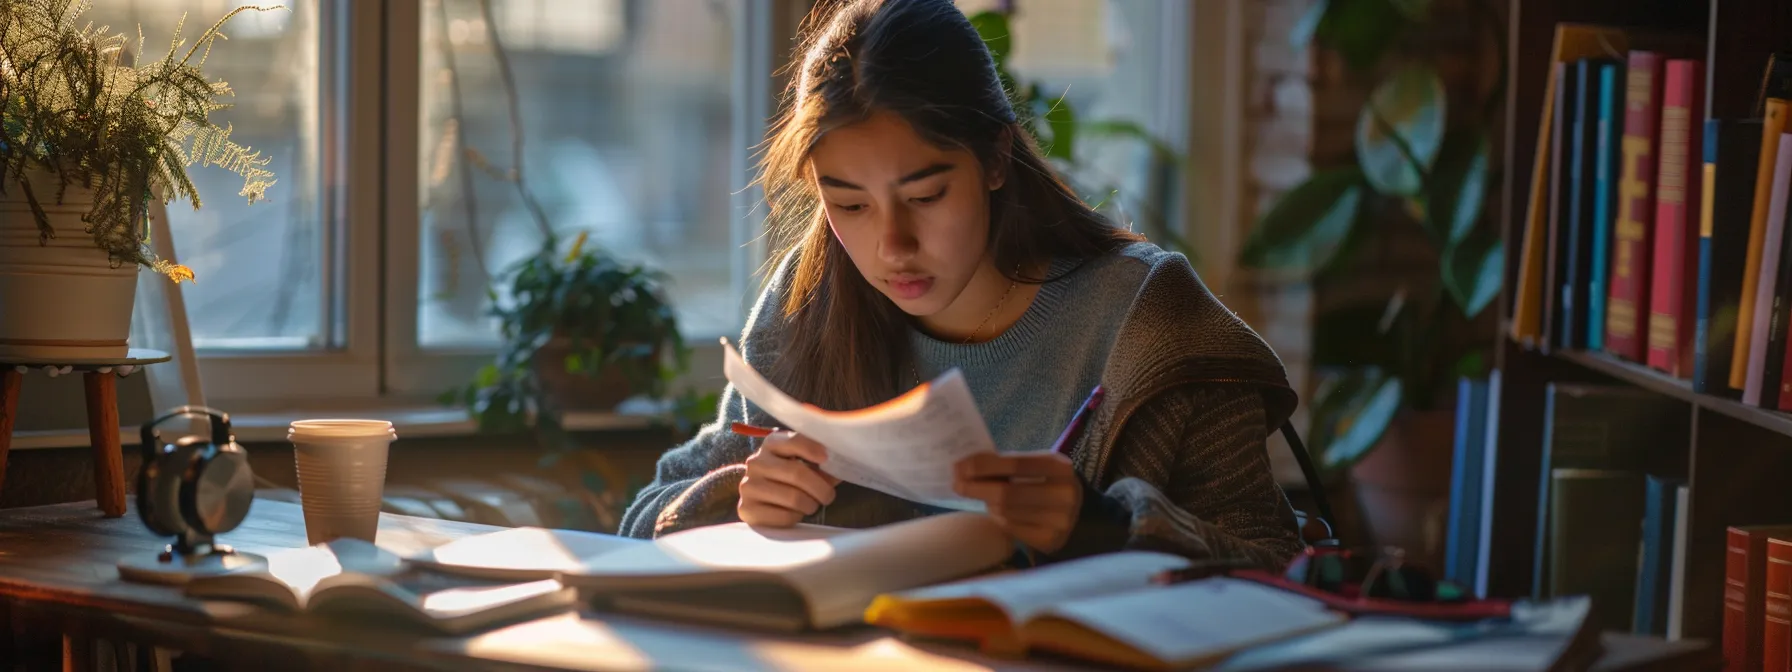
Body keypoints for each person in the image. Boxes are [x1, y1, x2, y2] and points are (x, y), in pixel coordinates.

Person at [617, 0, 1303, 569]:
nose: (891, 246)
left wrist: (1105, 527)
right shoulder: (813, 294)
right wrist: (735, 495)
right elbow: (641, 519)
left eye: (926, 194)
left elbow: (1278, 568)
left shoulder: (1149, 324)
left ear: (997, 158)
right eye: (848, 204)